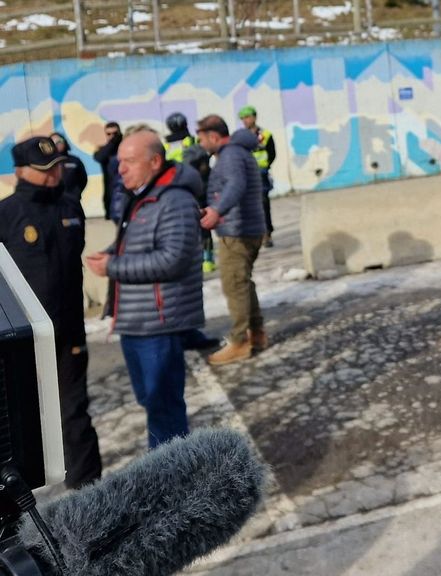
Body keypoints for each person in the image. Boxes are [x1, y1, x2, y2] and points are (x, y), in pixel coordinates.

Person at [85, 126, 205, 449]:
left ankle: (174, 480)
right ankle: (166, 472)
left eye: (129, 161)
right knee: (152, 403)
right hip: (137, 320)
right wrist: (111, 253)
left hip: (159, 323)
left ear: (154, 162)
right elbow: (134, 246)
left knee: (164, 409)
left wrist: (112, 267)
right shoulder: (141, 197)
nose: (119, 168)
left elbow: (172, 260)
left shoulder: (175, 200)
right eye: (119, 161)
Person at [0, 136, 103, 489]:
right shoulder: (6, 214)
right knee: (20, 420)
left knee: (73, 412)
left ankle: (86, 488)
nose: (55, 174)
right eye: (45, 170)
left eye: (57, 166)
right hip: (23, 340)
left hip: (68, 331)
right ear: (20, 171)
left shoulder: (70, 207)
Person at [196, 114, 268, 365]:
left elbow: (236, 185)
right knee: (243, 283)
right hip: (245, 227)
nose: (201, 144)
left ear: (214, 137)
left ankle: (239, 342)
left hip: (238, 231)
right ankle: (257, 334)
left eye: (202, 139)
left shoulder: (231, 155)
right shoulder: (235, 154)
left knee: (234, 285)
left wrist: (217, 211)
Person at [165, 112, 217, 274]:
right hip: (196, 189)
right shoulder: (193, 143)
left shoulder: (164, 146)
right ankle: (207, 259)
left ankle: (192, 259)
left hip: (174, 192)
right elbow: (204, 167)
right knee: (203, 226)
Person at [238, 105, 276, 247]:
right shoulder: (241, 137)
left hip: (261, 173)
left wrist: (265, 165)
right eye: (243, 119)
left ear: (254, 117)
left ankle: (267, 233)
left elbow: (272, 153)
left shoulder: (265, 135)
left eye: (247, 117)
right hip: (246, 175)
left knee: (263, 204)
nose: (245, 121)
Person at [92, 121, 122, 220]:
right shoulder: (104, 150)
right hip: (110, 192)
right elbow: (99, 157)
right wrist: (112, 143)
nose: (112, 136)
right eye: (109, 134)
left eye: (115, 134)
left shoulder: (125, 148)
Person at [49, 132, 89, 200]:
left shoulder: (75, 160)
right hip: (54, 202)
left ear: (64, 141)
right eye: (53, 142)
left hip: (73, 200)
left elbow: (83, 179)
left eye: (59, 141)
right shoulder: (48, 163)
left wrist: (76, 193)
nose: (57, 144)